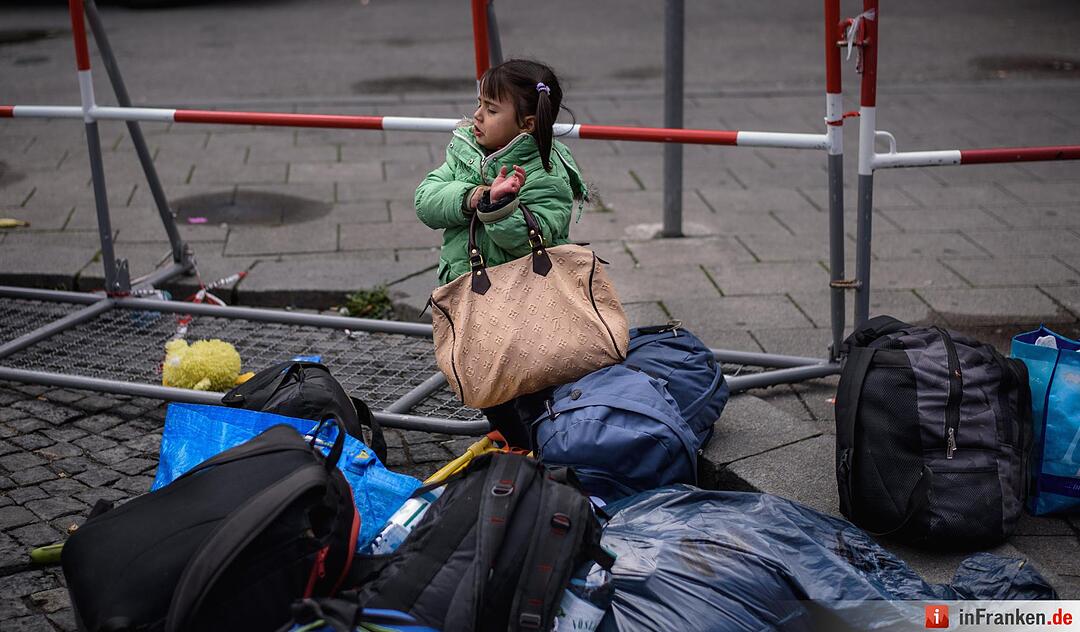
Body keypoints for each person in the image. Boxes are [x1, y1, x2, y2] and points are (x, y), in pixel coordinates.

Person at [415, 59, 588, 449]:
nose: (477, 115)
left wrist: (501, 207)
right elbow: (426, 200)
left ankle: (542, 449)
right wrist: (476, 196)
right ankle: (519, 440)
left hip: (525, 304)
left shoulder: (546, 172)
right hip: (469, 296)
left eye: (491, 110)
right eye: (479, 103)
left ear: (526, 124)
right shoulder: (465, 152)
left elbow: (534, 237)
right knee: (482, 382)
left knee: (528, 386)